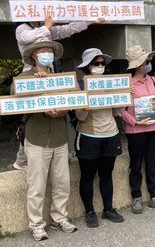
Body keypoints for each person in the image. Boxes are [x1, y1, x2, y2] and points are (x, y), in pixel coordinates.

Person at [13, 16, 105, 171]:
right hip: (32, 74)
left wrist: (90, 22)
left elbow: (66, 29)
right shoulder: (22, 27)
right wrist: (47, 26)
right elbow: (27, 37)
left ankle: (60, 151)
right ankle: (22, 158)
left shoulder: (46, 27)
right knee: (30, 114)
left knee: (60, 110)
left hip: (51, 74)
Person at [16, 39, 78, 241]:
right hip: (37, 138)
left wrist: (61, 110)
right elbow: (14, 98)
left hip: (60, 137)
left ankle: (59, 217)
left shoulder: (62, 78)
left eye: (49, 51)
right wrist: (38, 85)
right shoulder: (24, 77)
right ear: (34, 55)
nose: (47, 54)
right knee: (37, 185)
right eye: (43, 51)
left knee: (62, 183)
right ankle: (36, 224)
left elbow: (75, 98)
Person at [74, 48, 125, 227]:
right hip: (89, 135)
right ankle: (89, 211)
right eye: (97, 63)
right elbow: (79, 116)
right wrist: (87, 101)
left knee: (106, 174)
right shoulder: (80, 85)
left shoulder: (111, 83)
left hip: (111, 134)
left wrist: (127, 96)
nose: (101, 66)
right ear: (88, 66)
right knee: (87, 176)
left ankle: (108, 209)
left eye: (103, 63)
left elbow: (118, 111)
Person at [121, 45, 155, 214]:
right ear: (138, 65)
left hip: (154, 127)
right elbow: (120, 109)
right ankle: (136, 197)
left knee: (152, 163)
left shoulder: (153, 80)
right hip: (135, 130)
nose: (149, 64)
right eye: (146, 61)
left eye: (149, 60)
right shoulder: (128, 83)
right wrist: (134, 121)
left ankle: (154, 196)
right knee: (135, 164)